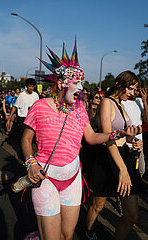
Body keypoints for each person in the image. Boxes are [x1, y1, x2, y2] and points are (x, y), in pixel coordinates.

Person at [21, 41, 139, 240]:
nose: (81, 89)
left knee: (67, 235)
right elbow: (25, 140)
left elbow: (92, 137)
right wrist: (31, 164)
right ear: (60, 83)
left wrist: (119, 134)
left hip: (72, 179)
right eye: (76, 83)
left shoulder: (80, 109)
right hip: (45, 178)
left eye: (82, 84)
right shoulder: (40, 106)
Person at [86, 71, 143, 240]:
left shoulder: (122, 105)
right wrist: (123, 169)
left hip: (124, 155)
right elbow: (107, 136)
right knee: (98, 204)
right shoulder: (106, 102)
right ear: (119, 85)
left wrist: (133, 140)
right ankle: (89, 232)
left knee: (132, 215)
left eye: (135, 90)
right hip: (107, 157)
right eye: (130, 89)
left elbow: (124, 134)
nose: (133, 93)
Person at [122, 87, 148, 177]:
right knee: (128, 171)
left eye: (138, 90)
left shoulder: (139, 101)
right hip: (126, 143)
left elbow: (146, 120)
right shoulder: (123, 102)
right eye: (133, 89)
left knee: (141, 170)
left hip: (139, 144)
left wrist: (145, 102)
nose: (135, 92)